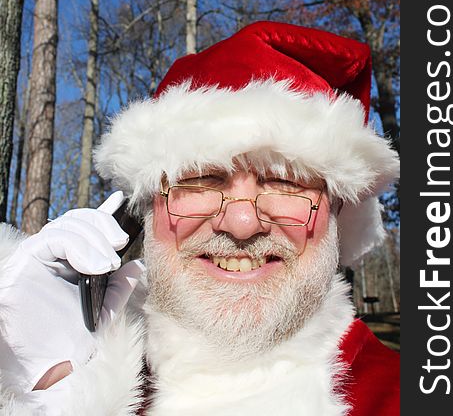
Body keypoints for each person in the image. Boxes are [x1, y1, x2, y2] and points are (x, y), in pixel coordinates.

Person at [0, 21, 400, 415]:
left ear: (338, 212)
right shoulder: (73, 378)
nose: (242, 222)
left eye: (285, 181)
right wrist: (20, 392)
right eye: (201, 179)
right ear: (148, 208)